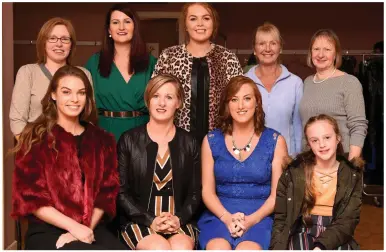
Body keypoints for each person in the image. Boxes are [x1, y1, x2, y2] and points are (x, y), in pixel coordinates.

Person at [11, 66, 125, 250]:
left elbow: (106, 193)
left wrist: (83, 229)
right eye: (66, 92)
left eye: (81, 93)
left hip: (91, 226)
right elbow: (32, 199)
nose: (74, 99)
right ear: (54, 95)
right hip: (47, 229)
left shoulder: (103, 140)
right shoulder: (35, 139)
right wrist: (73, 228)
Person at [197, 76, 288, 250]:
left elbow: (277, 196)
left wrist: (250, 220)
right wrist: (227, 218)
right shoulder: (210, 140)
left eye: (247, 98)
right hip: (219, 215)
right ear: (226, 105)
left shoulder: (276, 141)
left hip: (260, 218)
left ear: (257, 103)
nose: (241, 106)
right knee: (217, 248)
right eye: (234, 99)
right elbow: (207, 192)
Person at [117, 74, 201, 250]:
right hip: (139, 221)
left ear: (178, 103)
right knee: (159, 248)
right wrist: (151, 221)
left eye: (169, 97)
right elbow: (121, 193)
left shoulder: (190, 142)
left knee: (181, 248)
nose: (161, 103)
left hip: (179, 221)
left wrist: (179, 218)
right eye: (156, 96)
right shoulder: (128, 140)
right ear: (148, 100)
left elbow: (196, 192)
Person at [152, 3, 243, 143]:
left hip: (221, 143)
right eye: (193, 19)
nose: (200, 24)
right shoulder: (169, 57)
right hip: (176, 143)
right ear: (185, 25)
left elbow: (239, 102)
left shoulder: (227, 58)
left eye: (206, 18)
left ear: (214, 23)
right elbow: (155, 101)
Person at [270, 114, 364, 250]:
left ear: (338, 138)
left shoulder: (352, 175)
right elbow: (281, 219)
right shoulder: (293, 172)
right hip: (302, 229)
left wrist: (320, 246)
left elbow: (348, 221)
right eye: (315, 140)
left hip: (338, 231)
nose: (322, 144)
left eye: (327, 137)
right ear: (309, 144)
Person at [10, 17, 92, 139]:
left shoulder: (83, 74)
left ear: (71, 45)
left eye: (65, 39)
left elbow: (88, 117)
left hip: (74, 150)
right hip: (36, 148)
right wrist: (34, 150)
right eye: (52, 38)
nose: (59, 44)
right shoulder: (28, 72)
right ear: (44, 42)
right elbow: (17, 121)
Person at [85, 3, 157, 141]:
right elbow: (83, 103)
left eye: (127, 22)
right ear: (109, 30)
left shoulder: (152, 63)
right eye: (115, 22)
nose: (122, 27)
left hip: (142, 135)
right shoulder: (94, 63)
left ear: (134, 27)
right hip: (103, 134)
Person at [299, 29, 368, 160]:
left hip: (341, 158)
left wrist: (351, 165)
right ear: (310, 53)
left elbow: (358, 126)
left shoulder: (349, 82)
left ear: (336, 54)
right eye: (316, 49)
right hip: (310, 159)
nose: (321, 54)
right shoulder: (307, 82)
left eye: (327, 49)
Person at [245, 22, 303, 157]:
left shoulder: (295, 83)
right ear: (254, 49)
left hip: (286, 158)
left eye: (273, 43)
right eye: (261, 43)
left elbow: (298, 126)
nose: (267, 48)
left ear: (280, 48)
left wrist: (297, 158)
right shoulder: (244, 81)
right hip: (253, 158)